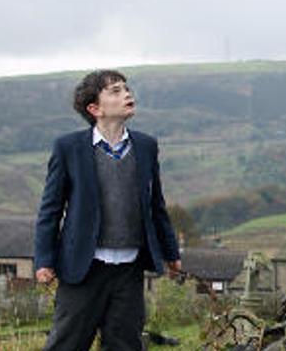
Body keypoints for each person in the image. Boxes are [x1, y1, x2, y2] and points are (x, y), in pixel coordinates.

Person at [33, 70, 182, 350]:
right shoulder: (69, 148)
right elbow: (50, 209)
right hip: (83, 268)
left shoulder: (146, 146)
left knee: (125, 344)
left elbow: (156, 205)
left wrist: (171, 253)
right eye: (115, 90)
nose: (127, 94)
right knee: (67, 344)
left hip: (129, 269)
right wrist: (44, 259)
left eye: (126, 88)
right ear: (95, 108)